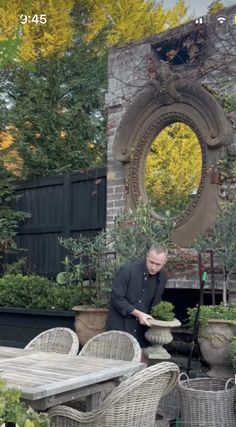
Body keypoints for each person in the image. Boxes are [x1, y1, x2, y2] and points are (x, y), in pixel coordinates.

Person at [106, 244, 168, 349]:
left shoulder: (163, 277)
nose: (153, 267)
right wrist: (138, 314)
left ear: (165, 262)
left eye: (158, 264)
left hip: (142, 331)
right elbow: (116, 298)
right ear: (147, 256)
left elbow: (156, 303)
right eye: (151, 262)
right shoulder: (128, 270)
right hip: (120, 326)